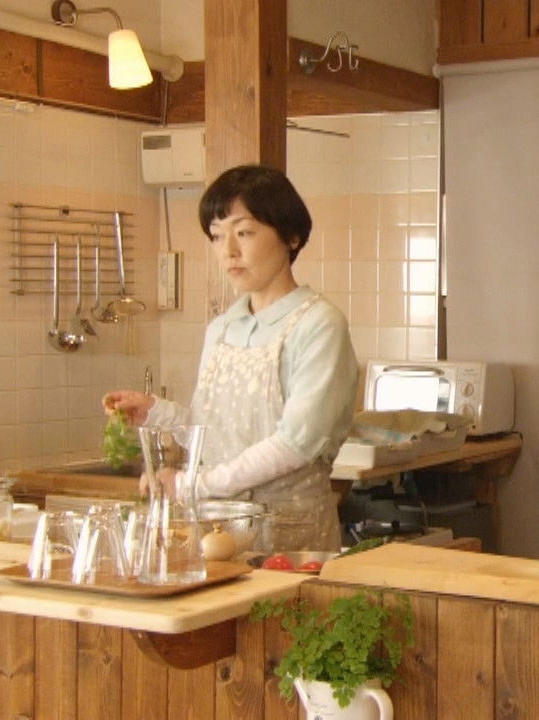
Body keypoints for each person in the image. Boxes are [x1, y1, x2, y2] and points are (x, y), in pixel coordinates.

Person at [103, 165, 357, 551]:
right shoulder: (222, 328)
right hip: (218, 529)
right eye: (217, 235)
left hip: (290, 535)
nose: (229, 251)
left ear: (290, 235)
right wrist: (158, 412)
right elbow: (215, 432)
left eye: (244, 232)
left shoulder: (319, 324)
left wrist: (192, 485)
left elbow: (294, 444)